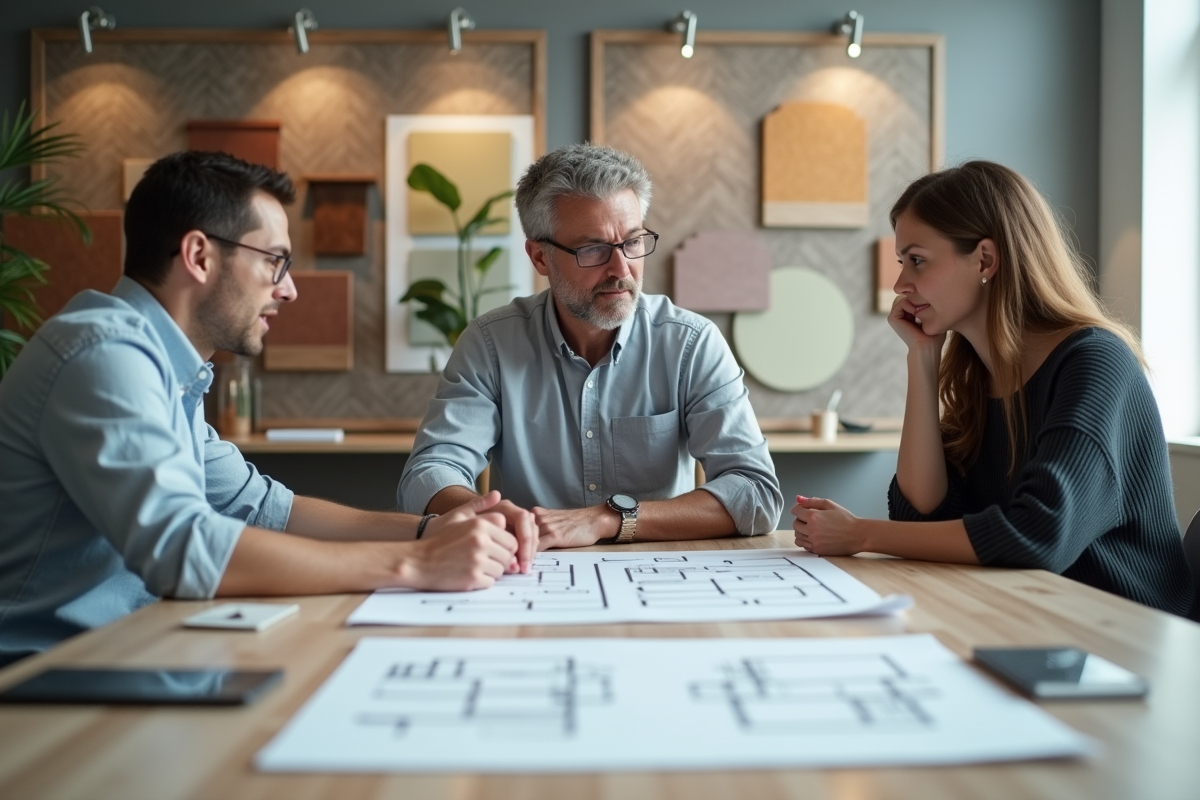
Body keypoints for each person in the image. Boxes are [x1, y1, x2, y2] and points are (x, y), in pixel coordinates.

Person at [0, 151, 532, 666]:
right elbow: (185, 549)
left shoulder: (166, 370)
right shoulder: (103, 355)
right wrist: (416, 563)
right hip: (42, 679)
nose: (291, 290)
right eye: (275, 261)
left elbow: (262, 508)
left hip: (127, 654)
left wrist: (430, 530)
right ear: (199, 256)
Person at [791, 160, 1194, 616]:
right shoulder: (977, 375)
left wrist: (861, 533)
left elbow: (1039, 536)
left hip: (1124, 634)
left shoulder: (1095, 363)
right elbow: (924, 513)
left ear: (985, 259)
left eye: (917, 261)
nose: (901, 285)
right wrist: (922, 359)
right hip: (1031, 616)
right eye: (902, 262)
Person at [399, 143, 782, 548]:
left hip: (664, 574)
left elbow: (755, 494)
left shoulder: (691, 344)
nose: (621, 270)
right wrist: (493, 518)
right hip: (529, 568)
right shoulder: (490, 344)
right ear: (540, 258)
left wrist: (609, 519)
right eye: (593, 249)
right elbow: (430, 472)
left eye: (633, 243)